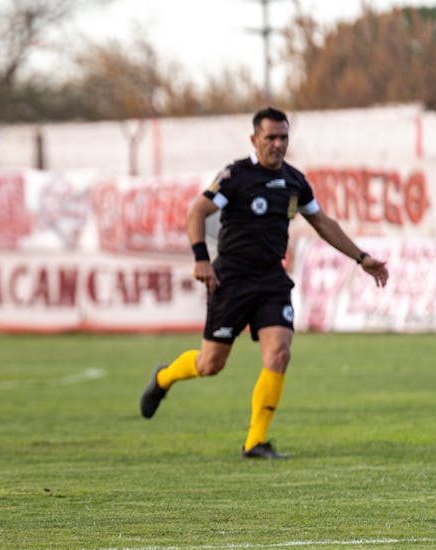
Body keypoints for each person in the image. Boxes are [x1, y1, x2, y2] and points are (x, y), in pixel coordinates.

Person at [139, 107, 389, 459]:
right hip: (232, 280)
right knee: (210, 364)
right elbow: (197, 212)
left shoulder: (294, 181)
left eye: (283, 137)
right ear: (254, 140)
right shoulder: (236, 176)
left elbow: (322, 222)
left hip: (271, 279)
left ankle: (255, 442)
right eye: (270, 137)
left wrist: (361, 257)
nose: (278, 144)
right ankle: (164, 377)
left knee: (280, 352)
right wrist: (200, 258)